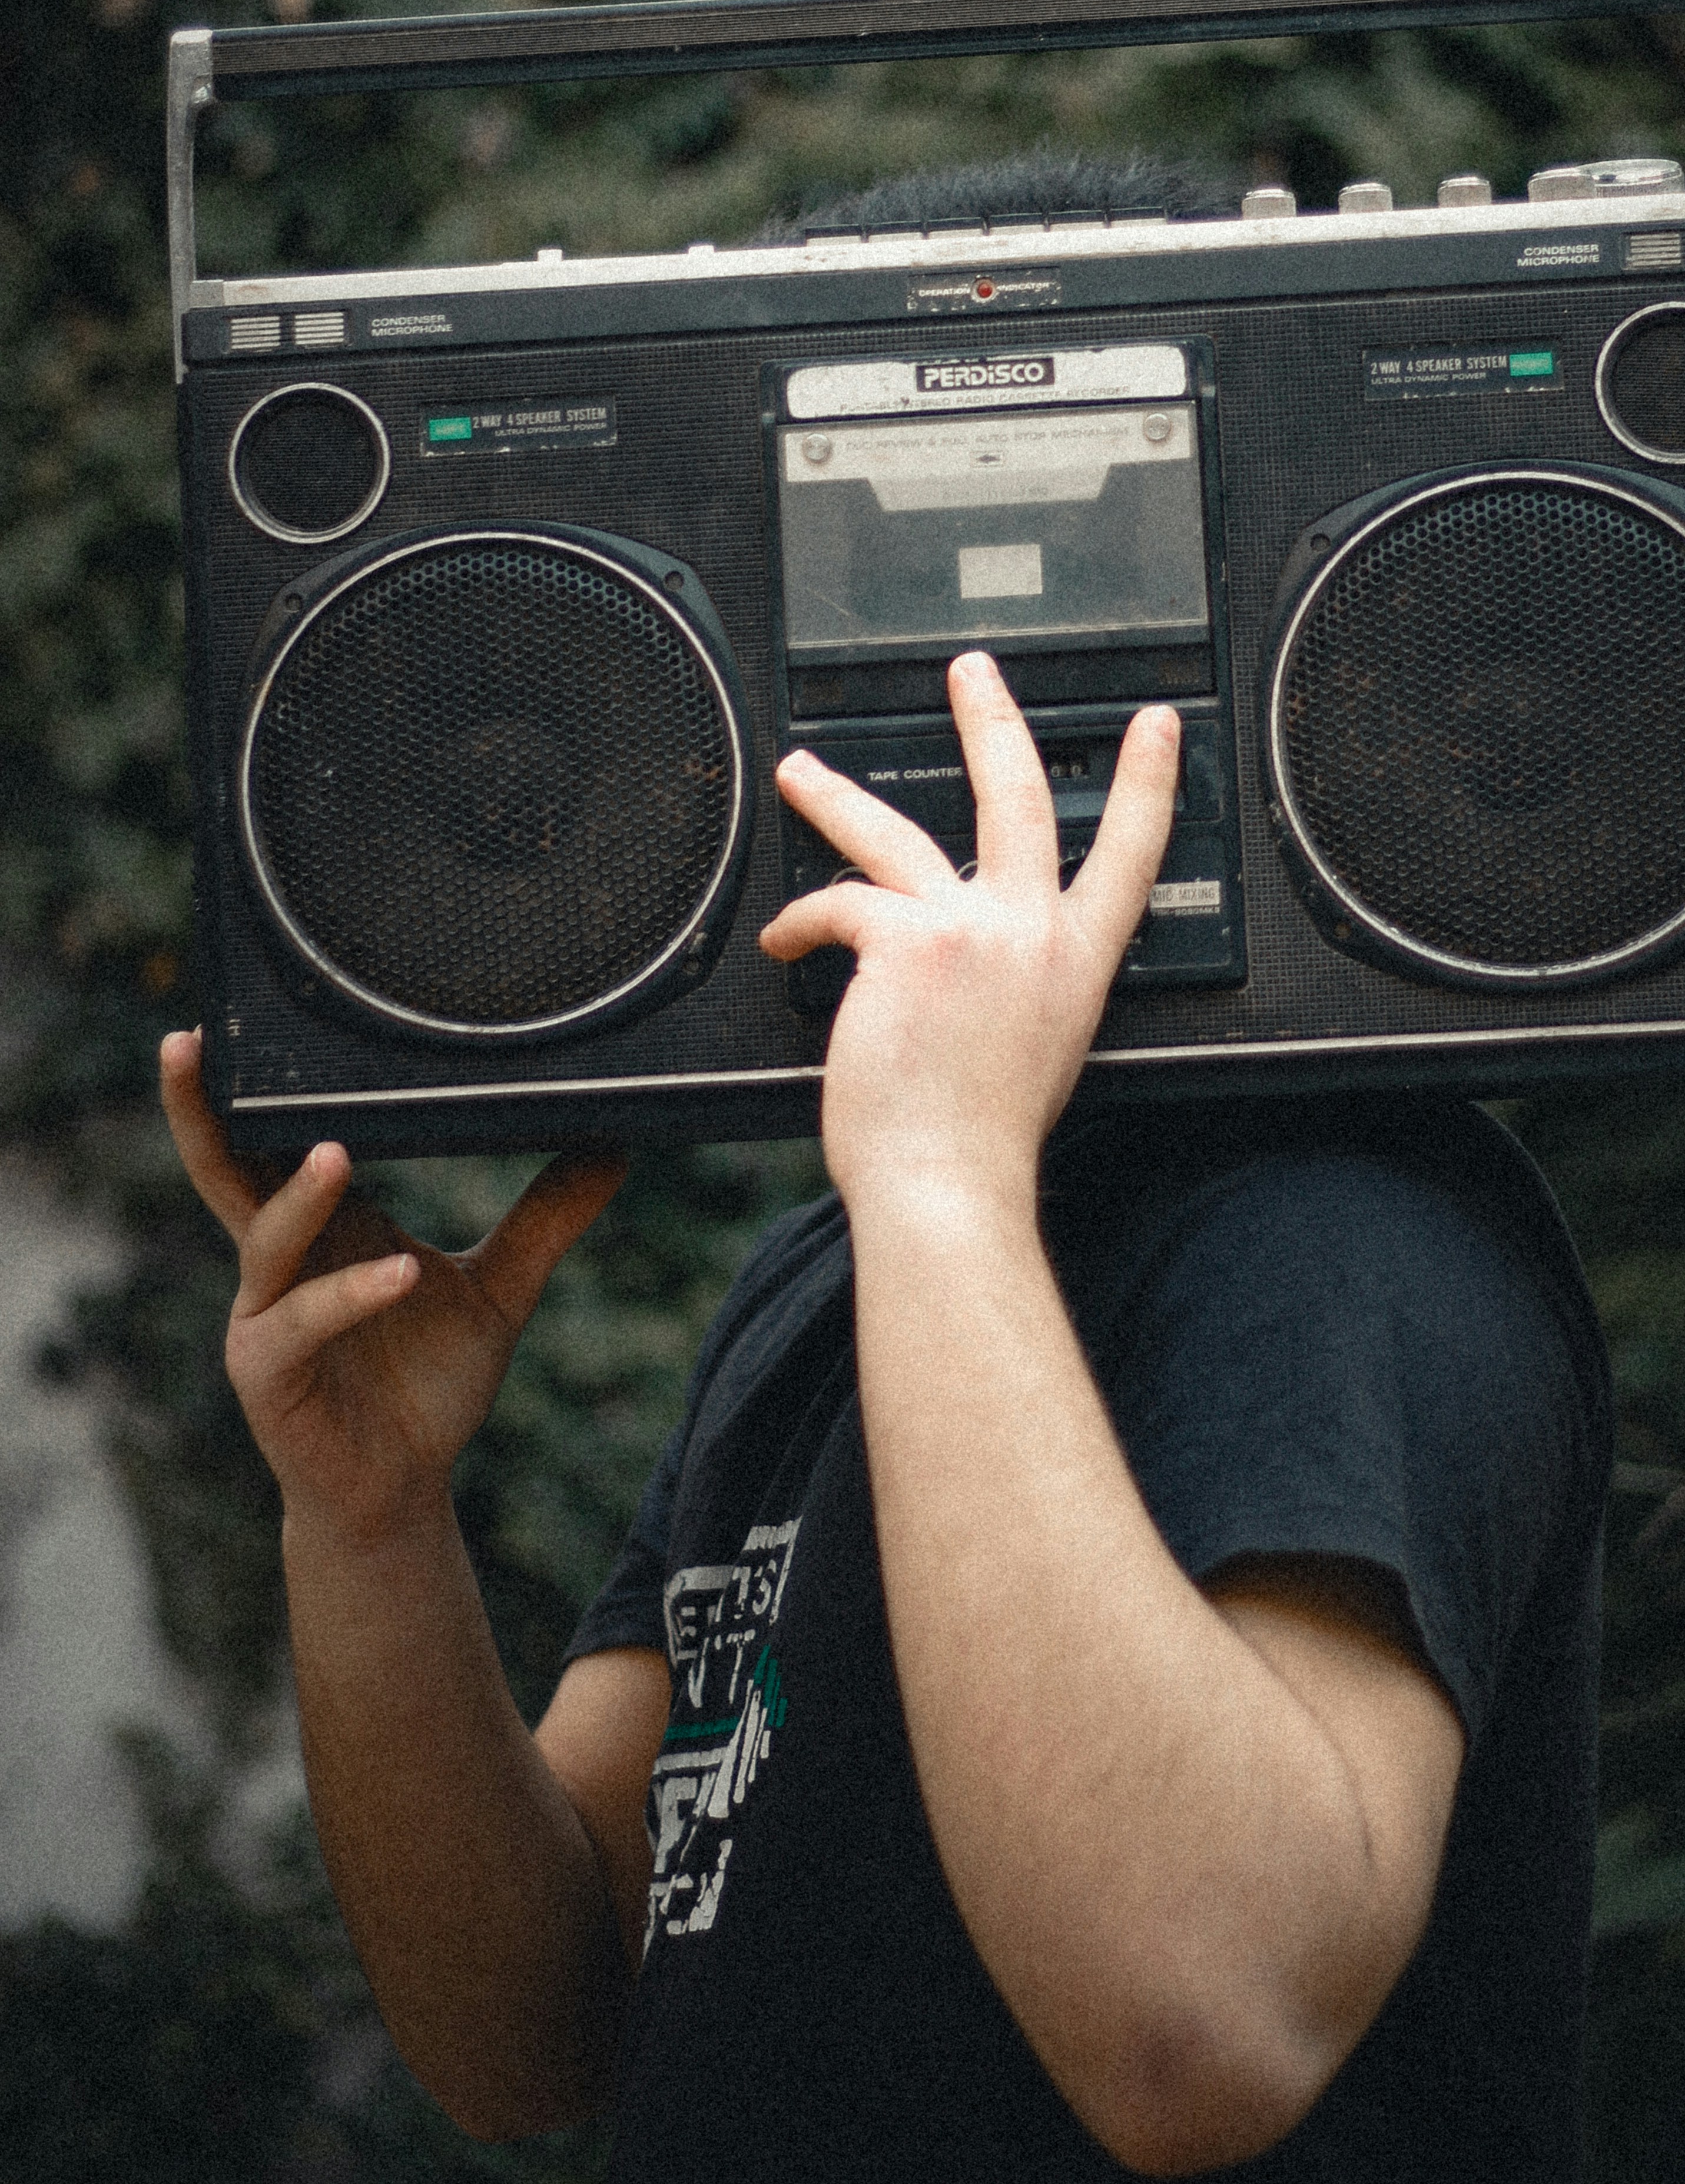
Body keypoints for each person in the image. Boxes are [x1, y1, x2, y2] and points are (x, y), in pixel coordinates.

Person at [162, 163, 1611, 2180]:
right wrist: (374, 1527)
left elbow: (1201, 2036)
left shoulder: (1346, 1236)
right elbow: (539, 2034)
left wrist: (939, 1173)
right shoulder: (832, 1276)